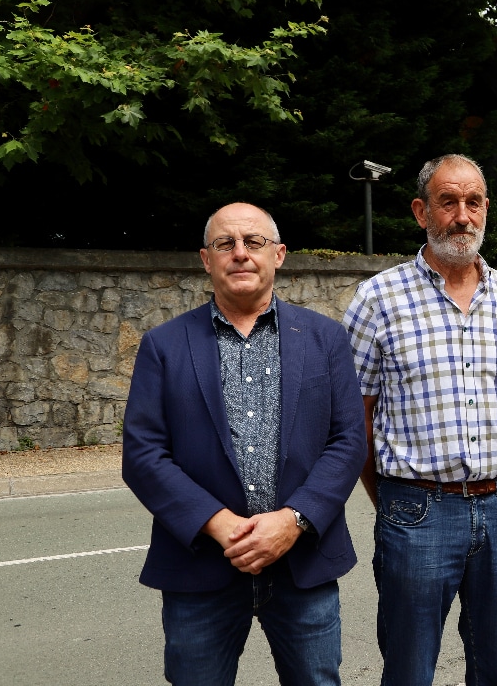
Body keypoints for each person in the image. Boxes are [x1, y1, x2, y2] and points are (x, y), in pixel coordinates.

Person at [121, 203, 367, 686]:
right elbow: (143, 454)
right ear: (205, 259)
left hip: (302, 563)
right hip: (201, 569)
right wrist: (220, 525)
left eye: (253, 243)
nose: (240, 254)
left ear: (279, 255)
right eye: (224, 244)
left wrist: (293, 520)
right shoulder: (163, 345)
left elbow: (348, 440)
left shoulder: (325, 338)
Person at [342, 153, 497, 686]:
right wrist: (390, 496)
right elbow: (354, 415)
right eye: (447, 201)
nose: (462, 215)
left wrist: (490, 464)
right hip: (417, 511)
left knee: (495, 668)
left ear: (486, 210)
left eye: (473, 201)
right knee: (410, 671)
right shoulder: (377, 298)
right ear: (420, 211)